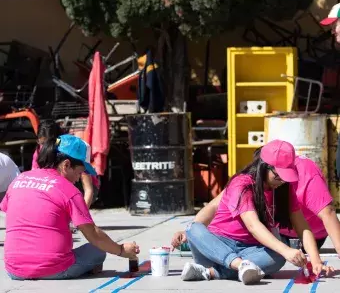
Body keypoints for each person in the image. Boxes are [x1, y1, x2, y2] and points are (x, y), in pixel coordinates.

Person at [171, 140, 333, 285]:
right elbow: (253, 225)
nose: (282, 181)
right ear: (264, 166)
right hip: (217, 247)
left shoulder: (284, 188)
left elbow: (302, 226)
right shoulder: (241, 184)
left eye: (286, 177)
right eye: (278, 176)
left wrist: (315, 260)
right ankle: (239, 265)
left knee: (277, 257)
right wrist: (285, 250)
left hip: (249, 250)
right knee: (194, 229)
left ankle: (209, 272)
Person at [0, 134, 140, 280]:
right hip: (54, 268)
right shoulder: (69, 190)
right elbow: (93, 235)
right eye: (79, 172)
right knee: (98, 250)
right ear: (66, 165)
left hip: (14, 270)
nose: (79, 178)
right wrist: (121, 250)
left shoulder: (20, 179)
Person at [32, 119, 99, 208]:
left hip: (83, 188)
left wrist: (82, 215)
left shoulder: (69, 149)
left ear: (59, 140)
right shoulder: (39, 153)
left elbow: (88, 189)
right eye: (42, 143)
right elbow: (35, 179)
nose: (46, 147)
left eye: (50, 143)